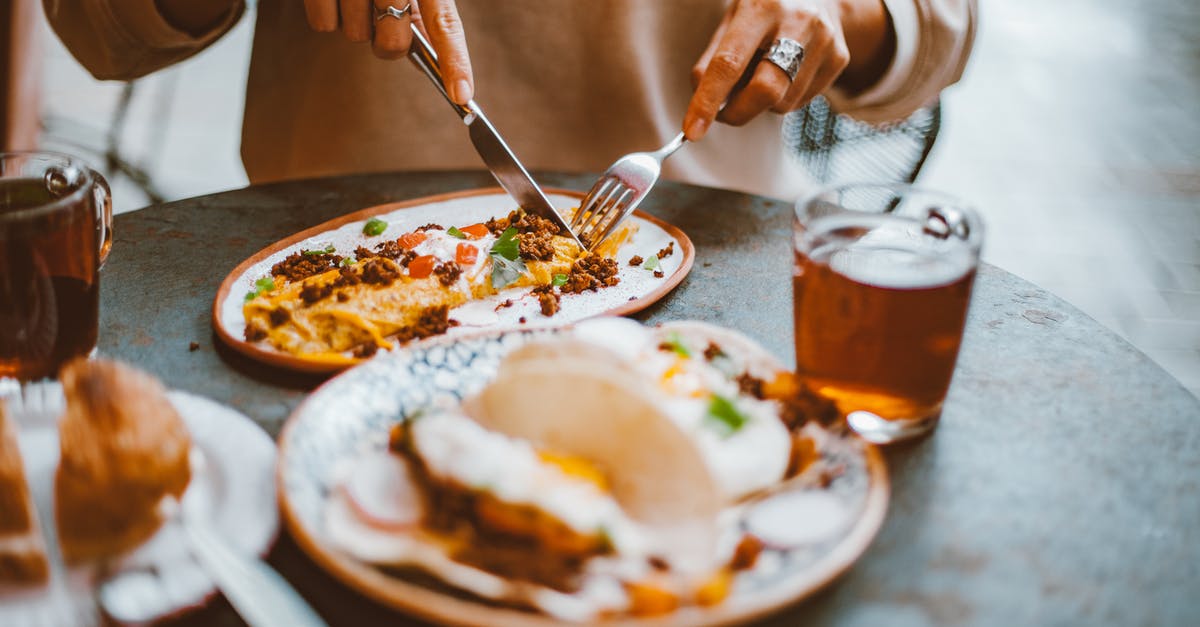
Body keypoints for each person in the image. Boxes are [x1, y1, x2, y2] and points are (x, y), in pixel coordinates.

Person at [43, 0, 975, 199]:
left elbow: (945, 24)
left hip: (711, 281)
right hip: (328, 280)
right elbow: (95, 26)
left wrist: (848, 10)